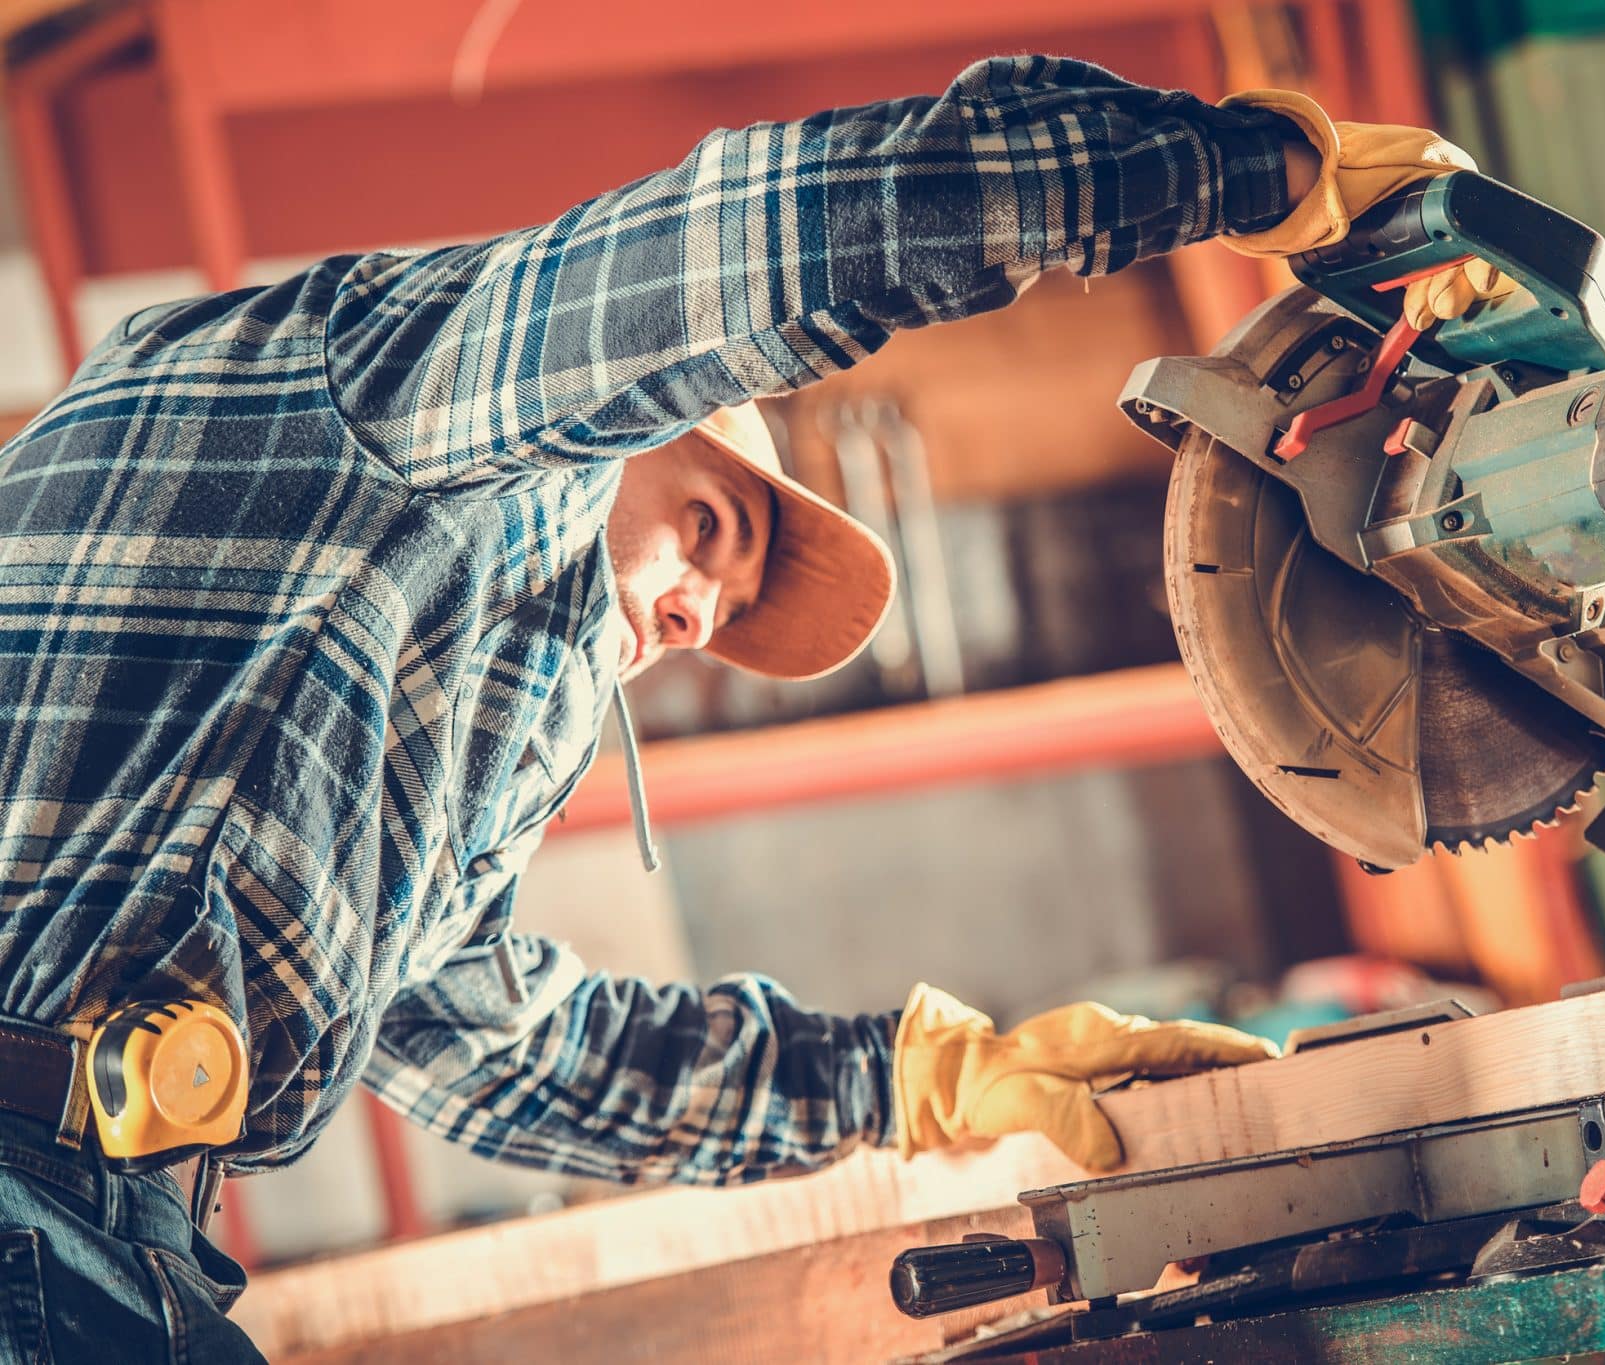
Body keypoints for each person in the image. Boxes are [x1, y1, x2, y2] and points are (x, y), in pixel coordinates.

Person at [0, 54, 1502, 1360]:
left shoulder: (385, 735)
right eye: (719, 535)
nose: (699, 620)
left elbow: (509, 1050)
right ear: (645, 447)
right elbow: (761, 244)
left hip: (100, 1220)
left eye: (721, 619)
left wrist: (923, 1077)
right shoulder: (410, 395)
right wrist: (1248, 173)